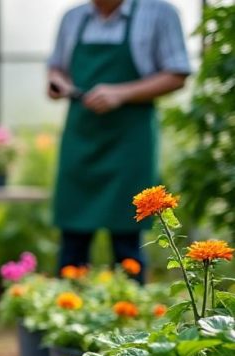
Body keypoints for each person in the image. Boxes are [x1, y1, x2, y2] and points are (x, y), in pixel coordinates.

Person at [48, 0, 190, 279]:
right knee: (72, 242)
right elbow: (56, 68)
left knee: (127, 240)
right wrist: (59, 84)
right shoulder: (73, 18)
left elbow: (177, 73)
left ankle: (132, 314)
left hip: (129, 141)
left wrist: (121, 93)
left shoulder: (160, 14)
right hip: (80, 139)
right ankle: (66, 314)